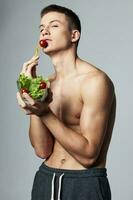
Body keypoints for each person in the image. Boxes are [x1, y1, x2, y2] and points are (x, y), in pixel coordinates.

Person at [16, 4, 116, 200]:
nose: (44, 31)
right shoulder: (47, 84)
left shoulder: (95, 81)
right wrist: (34, 93)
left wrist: (44, 113)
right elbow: (41, 149)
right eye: (41, 28)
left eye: (53, 26)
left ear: (74, 35)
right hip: (45, 178)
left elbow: (89, 155)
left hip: (84, 183)